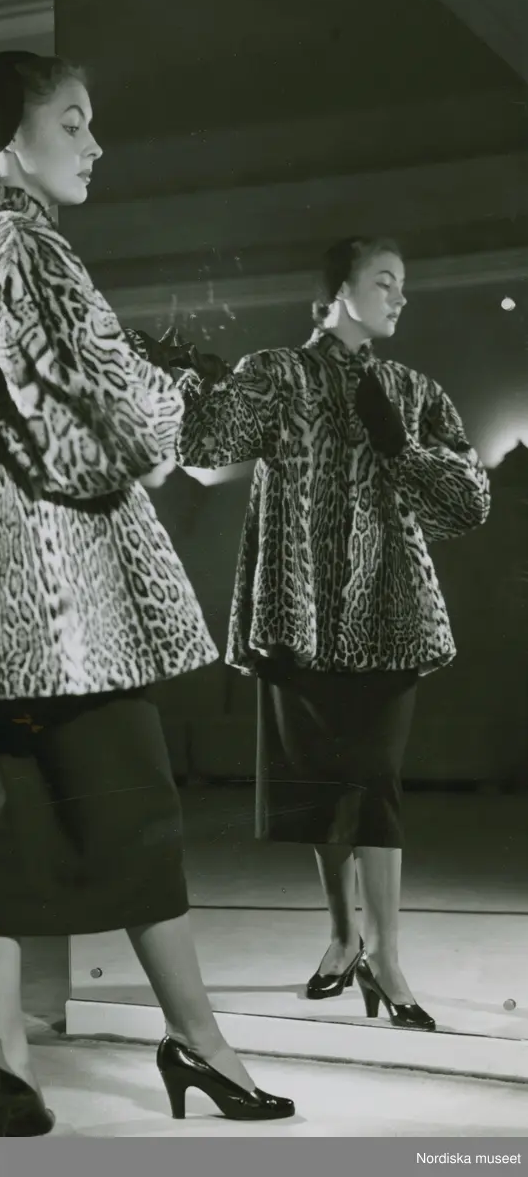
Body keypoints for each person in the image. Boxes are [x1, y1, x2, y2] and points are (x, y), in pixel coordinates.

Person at [0, 51, 294, 1135]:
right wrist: (198, 409)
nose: (94, 144)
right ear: (13, 138)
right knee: (137, 818)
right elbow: (93, 401)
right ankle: (200, 1047)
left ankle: (5, 1069)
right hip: (58, 614)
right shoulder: (21, 242)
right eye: (73, 120)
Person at [173, 236, 490, 1032]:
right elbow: (202, 447)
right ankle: (345, 939)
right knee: (324, 789)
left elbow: (468, 504)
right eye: (384, 281)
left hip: (391, 617)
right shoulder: (277, 373)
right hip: (300, 617)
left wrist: (401, 448)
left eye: (403, 283)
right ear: (339, 291)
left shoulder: (413, 391)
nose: (399, 296)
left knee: (375, 786)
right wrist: (193, 381)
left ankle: (387, 957)